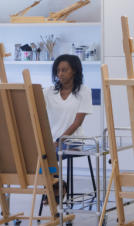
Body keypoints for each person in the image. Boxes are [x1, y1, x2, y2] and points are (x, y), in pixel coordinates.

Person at [41, 54, 93, 204]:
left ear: (74, 70)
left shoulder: (84, 91)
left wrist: (59, 140)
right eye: (58, 71)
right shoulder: (48, 92)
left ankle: (53, 187)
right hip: (51, 140)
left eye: (64, 70)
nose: (60, 74)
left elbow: (77, 122)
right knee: (37, 154)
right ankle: (57, 184)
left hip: (73, 140)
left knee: (50, 154)